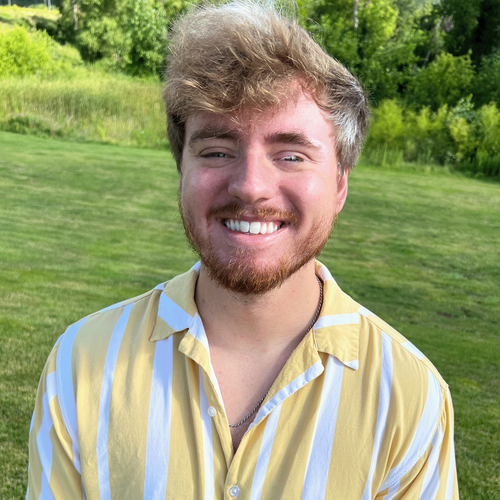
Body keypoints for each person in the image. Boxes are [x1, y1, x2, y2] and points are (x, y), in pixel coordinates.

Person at [27, 2, 459, 499]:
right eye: (217, 151)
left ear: (340, 184)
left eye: (291, 155)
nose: (251, 186)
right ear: (182, 169)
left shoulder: (409, 396)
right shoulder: (81, 363)